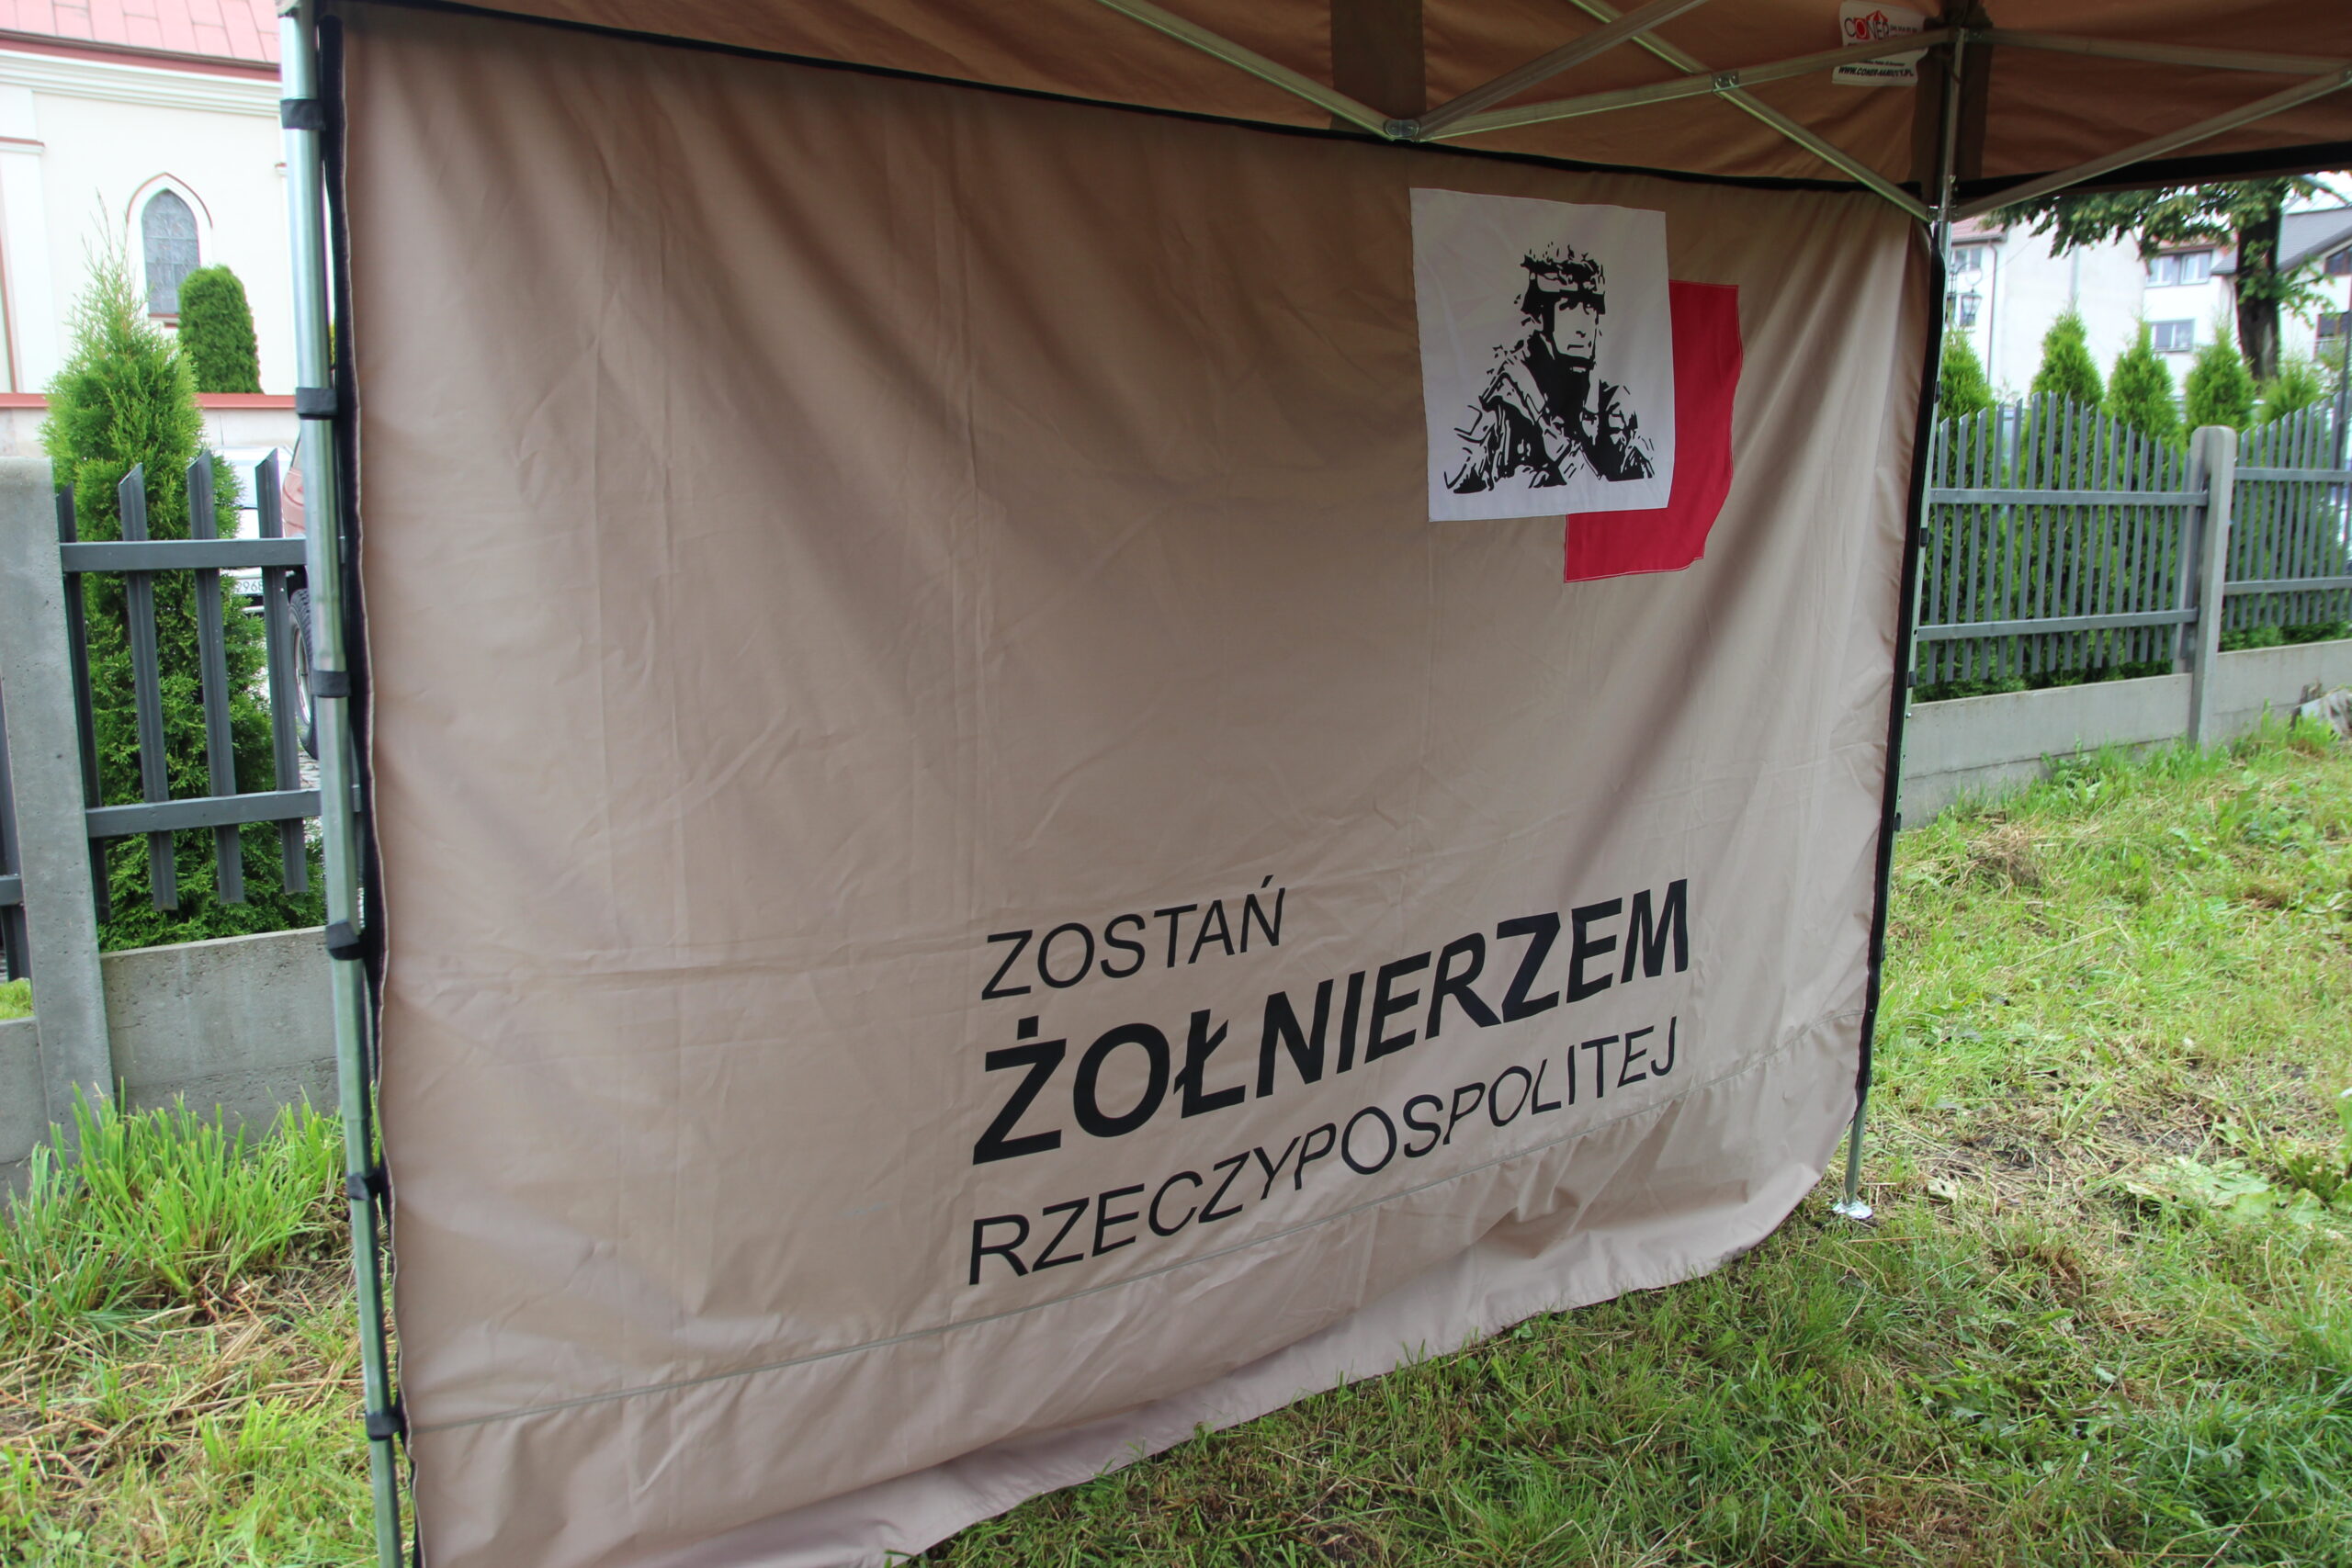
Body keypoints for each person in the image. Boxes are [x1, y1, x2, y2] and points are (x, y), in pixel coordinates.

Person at [1445, 241, 1655, 493]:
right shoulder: (1506, 401)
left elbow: (1643, 481)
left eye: (1590, 307)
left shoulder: (1607, 399)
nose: (1583, 326)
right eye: (1569, 307)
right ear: (1541, 316)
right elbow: (1461, 487)